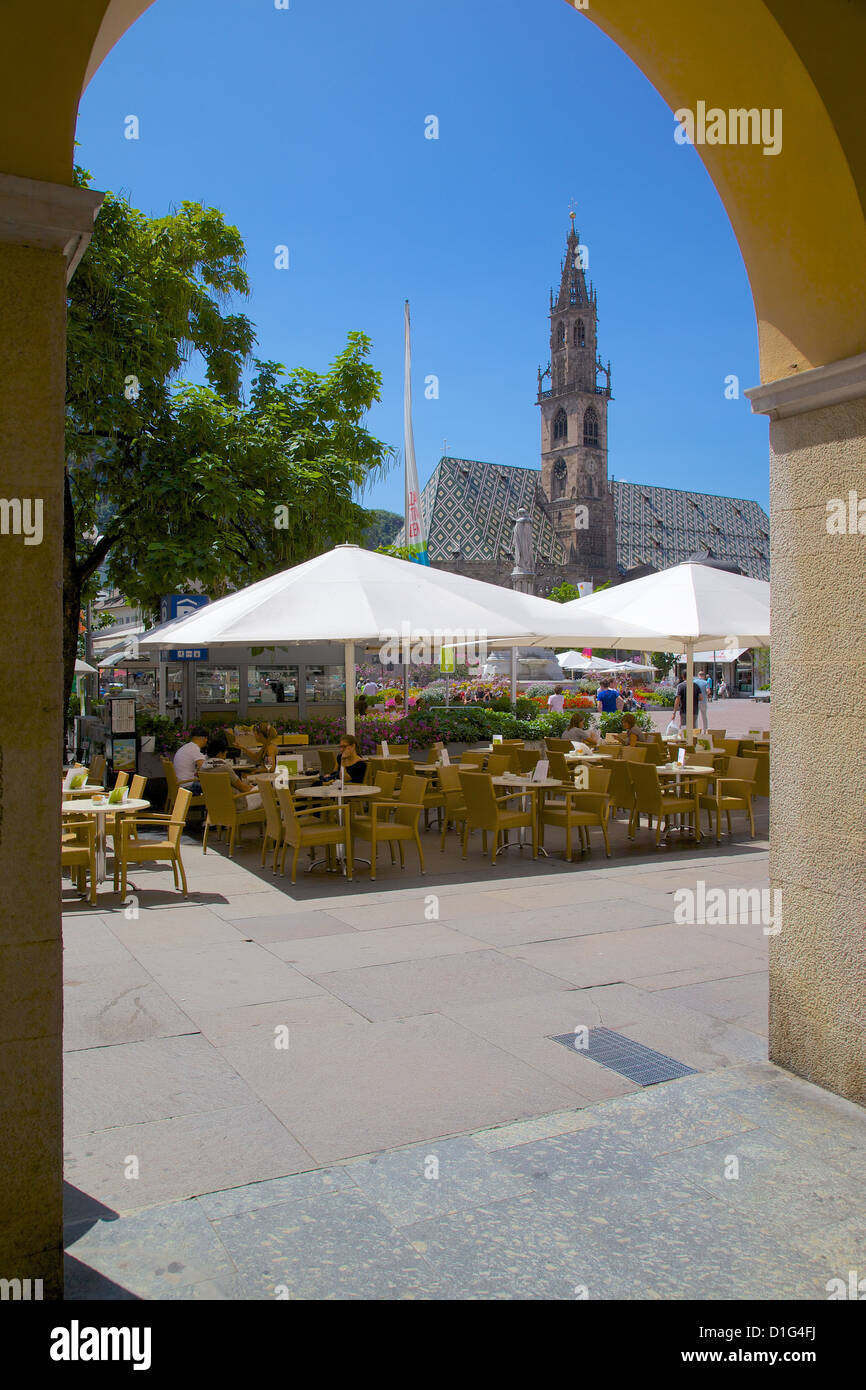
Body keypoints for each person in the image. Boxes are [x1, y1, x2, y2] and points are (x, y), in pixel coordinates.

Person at [199, 733, 262, 810]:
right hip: (236, 806)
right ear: (219, 754)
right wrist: (252, 788)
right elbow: (242, 788)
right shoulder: (223, 767)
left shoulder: (203, 768)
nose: (225, 758)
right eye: (224, 755)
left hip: (215, 807)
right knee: (263, 790)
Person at [173, 726, 208, 794]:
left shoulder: (187, 747)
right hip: (187, 786)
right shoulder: (195, 749)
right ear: (205, 738)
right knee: (215, 786)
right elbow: (204, 768)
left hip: (180, 784)